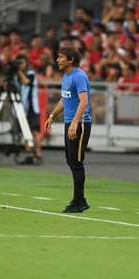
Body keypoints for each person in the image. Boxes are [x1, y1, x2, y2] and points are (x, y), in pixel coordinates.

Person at [45, 47, 91, 213]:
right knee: (71, 161)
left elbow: (84, 101)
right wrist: (52, 115)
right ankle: (81, 199)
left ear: (71, 60)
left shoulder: (79, 76)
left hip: (80, 123)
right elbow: (65, 99)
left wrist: (75, 123)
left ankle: (78, 202)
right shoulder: (67, 76)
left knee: (76, 162)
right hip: (70, 123)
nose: (57, 60)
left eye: (61, 57)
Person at [16, 54, 42, 164]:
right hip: (23, 107)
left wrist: (18, 71)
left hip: (32, 108)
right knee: (26, 132)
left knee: (34, 132)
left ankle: (38, 154)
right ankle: (31, 154)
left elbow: (27, 81)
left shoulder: (30, 74)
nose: (21, 65)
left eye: (22, 63)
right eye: (19, 63)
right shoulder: (18, 75)